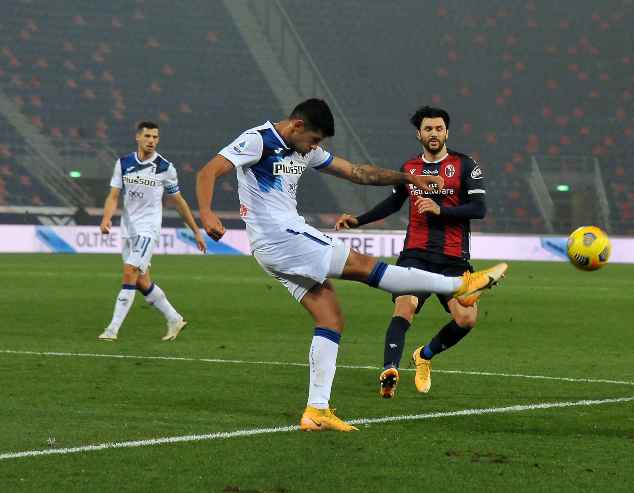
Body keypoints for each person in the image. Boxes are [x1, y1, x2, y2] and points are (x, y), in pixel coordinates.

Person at [195, 99, 506, 432]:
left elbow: (358, 173)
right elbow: (209, 170)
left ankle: (316, 411)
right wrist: (207, 213)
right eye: (314, 140)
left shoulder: (305, 150)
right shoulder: (259, 140)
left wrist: (406, 177)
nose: (315, 148)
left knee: (330, 318)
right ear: (297, 126)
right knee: (364, 267)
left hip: (278, 246)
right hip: (282, 236)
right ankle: (458, 285)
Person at [335, 106, 490, 399]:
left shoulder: (465, 165)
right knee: (404, 308)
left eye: (439, 129)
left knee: (466, 319)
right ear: (419, 133)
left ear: (447, 132)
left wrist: (440, 209)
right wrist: (358, 220)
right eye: (428, 129)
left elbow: (479, 209)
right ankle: (389, 369)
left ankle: (425, 355)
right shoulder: (409, 169)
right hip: (415, 254)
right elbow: (393, 204)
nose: (434, 134)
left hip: (453, 258)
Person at [98, 121, 206, 342]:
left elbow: (179, 202)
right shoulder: (124, 163)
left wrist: (196, 231)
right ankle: (174, 318)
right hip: (128, 229)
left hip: (148, 229)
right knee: (140, 281)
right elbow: (113, 195)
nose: (151, 141)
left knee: (129, 272)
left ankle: (112, 330)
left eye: (155, 137)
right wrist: (107, 218)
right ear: (138, 137)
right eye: (147, 136)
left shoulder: (165, 167)